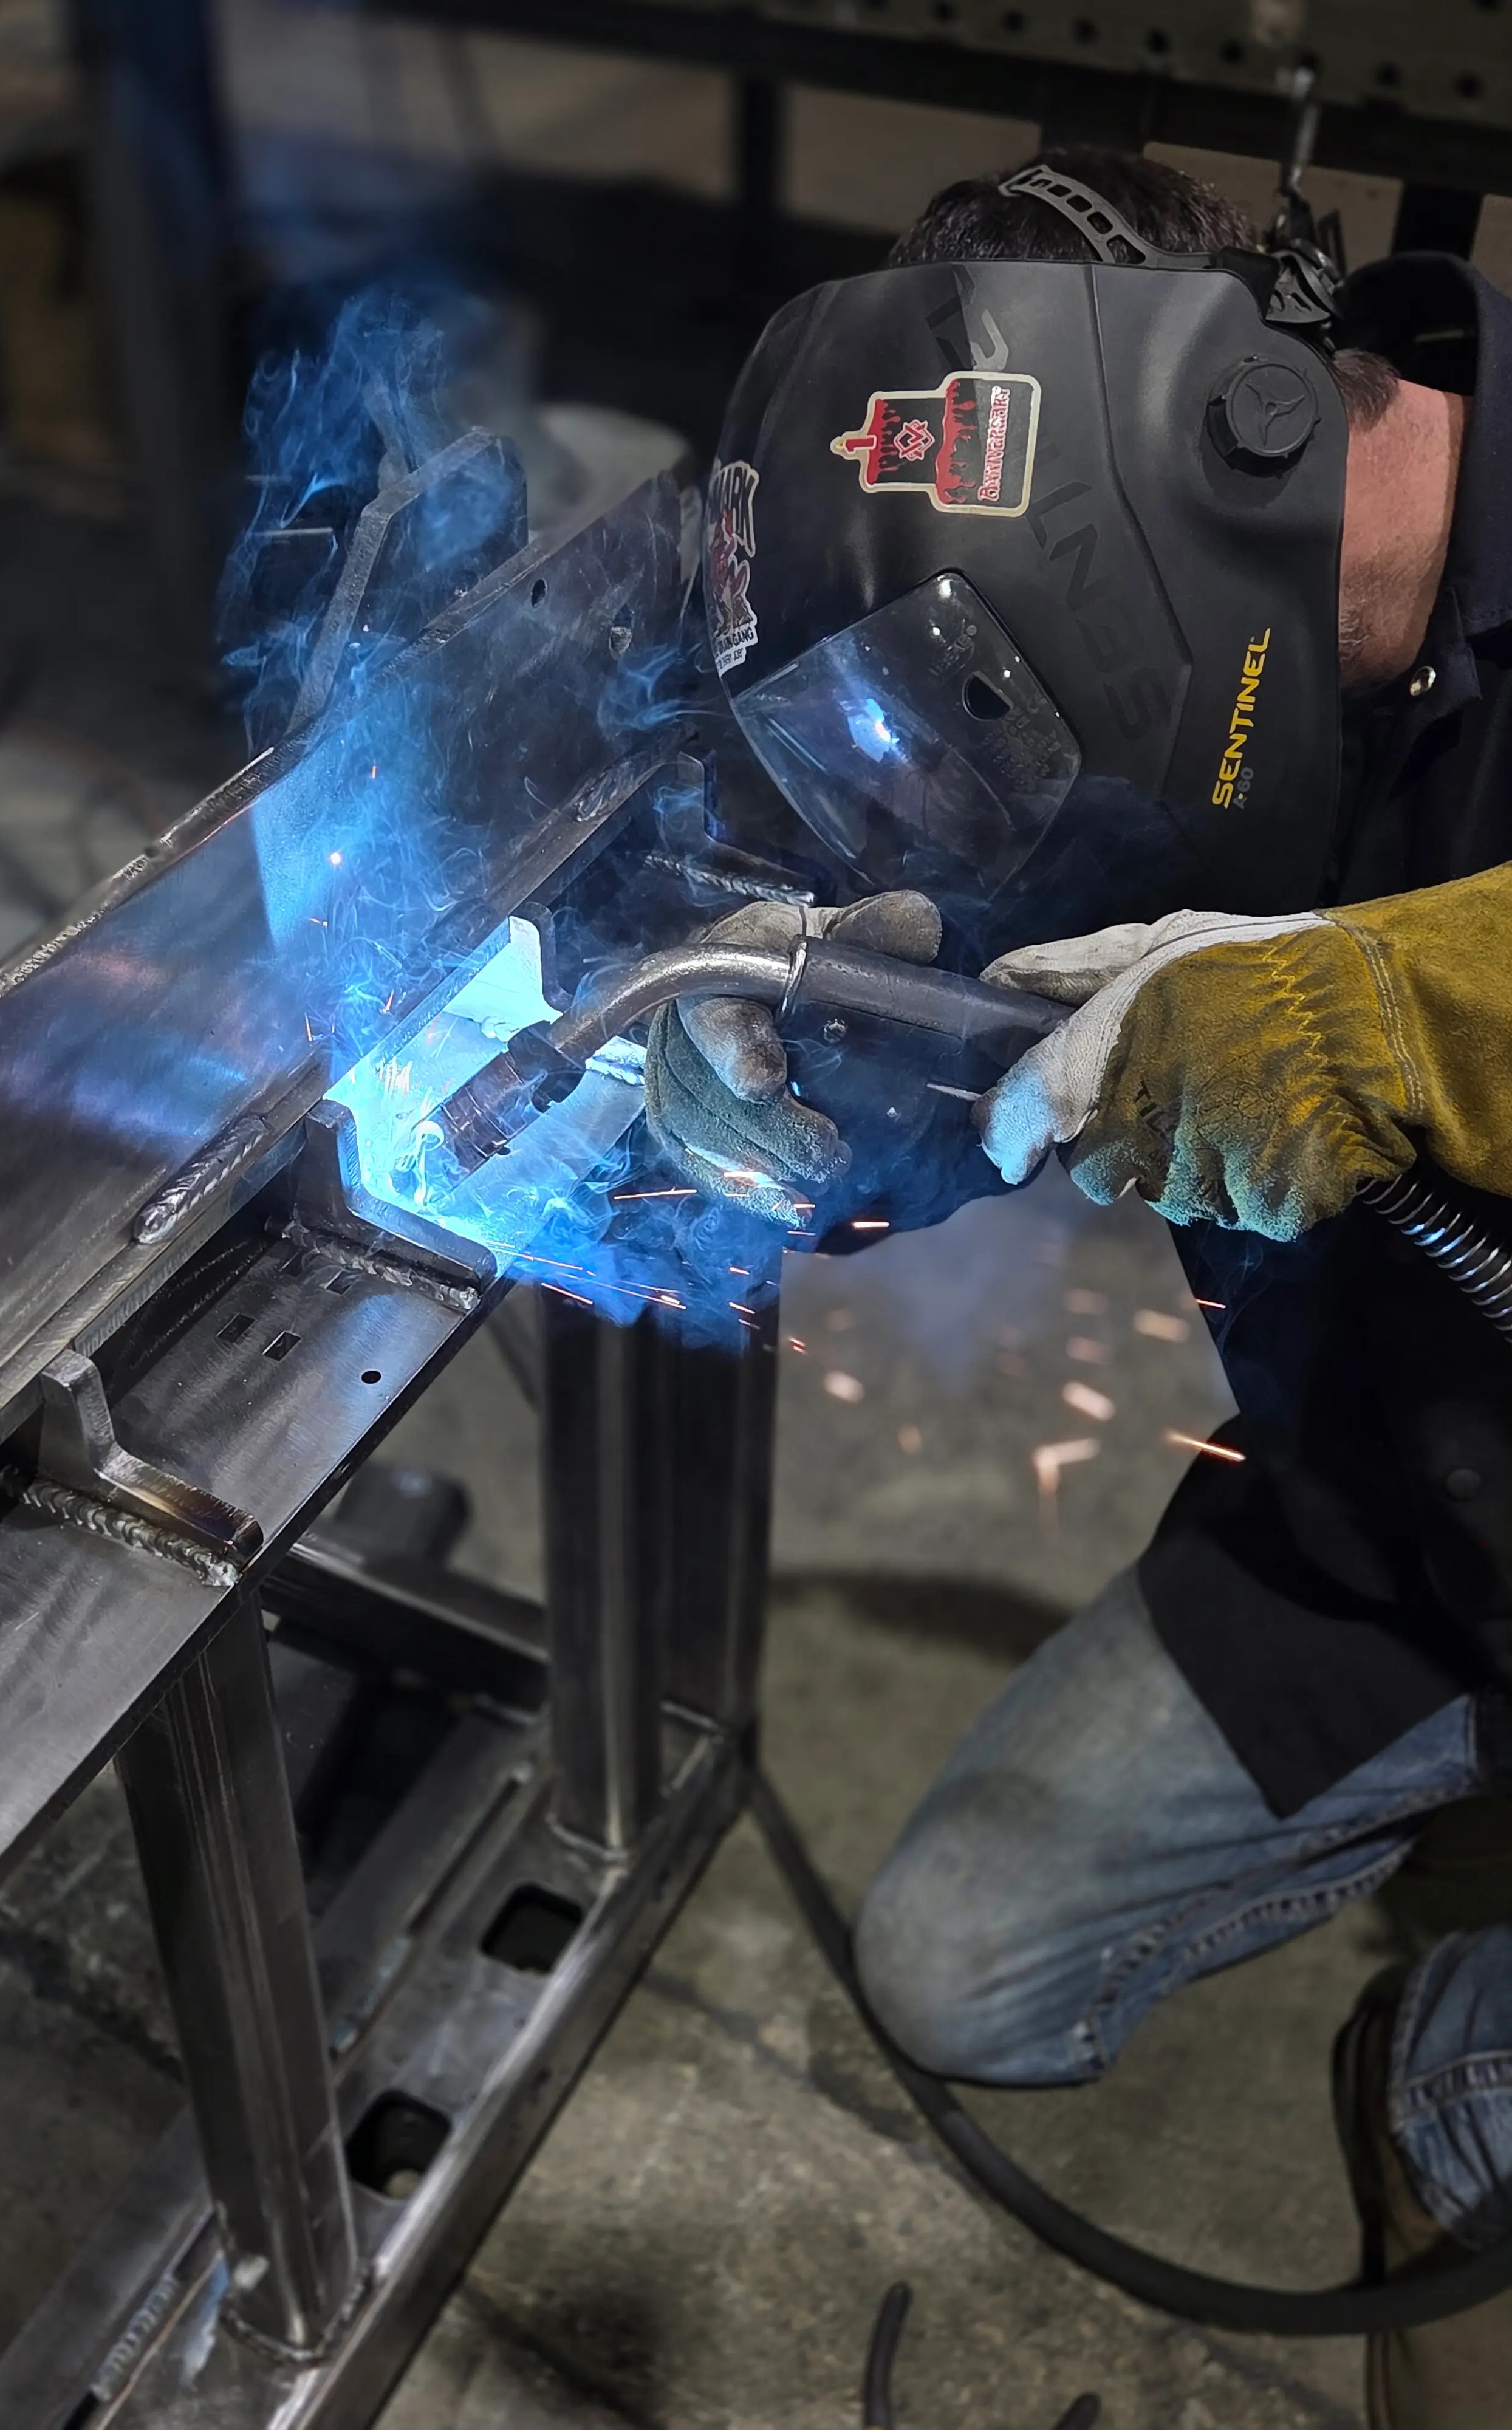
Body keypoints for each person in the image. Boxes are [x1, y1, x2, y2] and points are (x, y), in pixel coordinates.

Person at [645, 151, 1512, 2428]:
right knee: (960, 1970)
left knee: (1473, 2106)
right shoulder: (1241, 679)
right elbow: (1095, 981)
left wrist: (1385, 1018)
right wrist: (865, 1089)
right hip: (1407, 1514)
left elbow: (1317, 1013)